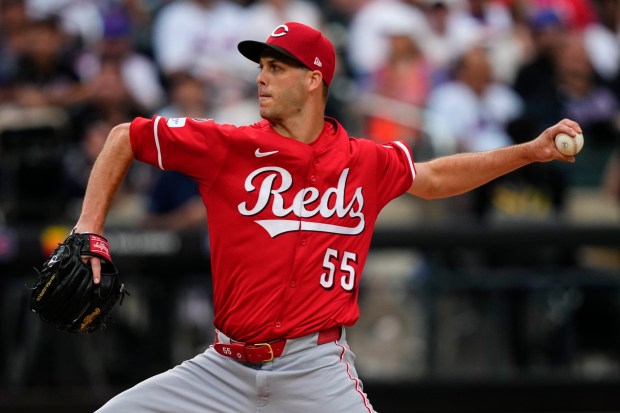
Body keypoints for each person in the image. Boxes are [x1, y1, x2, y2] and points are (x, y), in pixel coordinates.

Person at [74, 22, 582, 413]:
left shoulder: (365, 161)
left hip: (314, 368)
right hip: (223, 368)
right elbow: (126, 137)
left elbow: (436, 177)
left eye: (277, 67)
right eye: (261, 67)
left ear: (314, 78)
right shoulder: (231, 146)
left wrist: (530, 153)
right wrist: (88, 230)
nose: (261, 77)